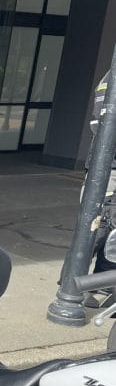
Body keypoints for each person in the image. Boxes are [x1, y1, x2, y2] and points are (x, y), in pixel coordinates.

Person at [86, 69, 116, 281]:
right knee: (96, 230)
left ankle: (101, 284)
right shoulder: (112, 77)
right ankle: (72, 284)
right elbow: (101, 122)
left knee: (111, 235)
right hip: (108, 169)